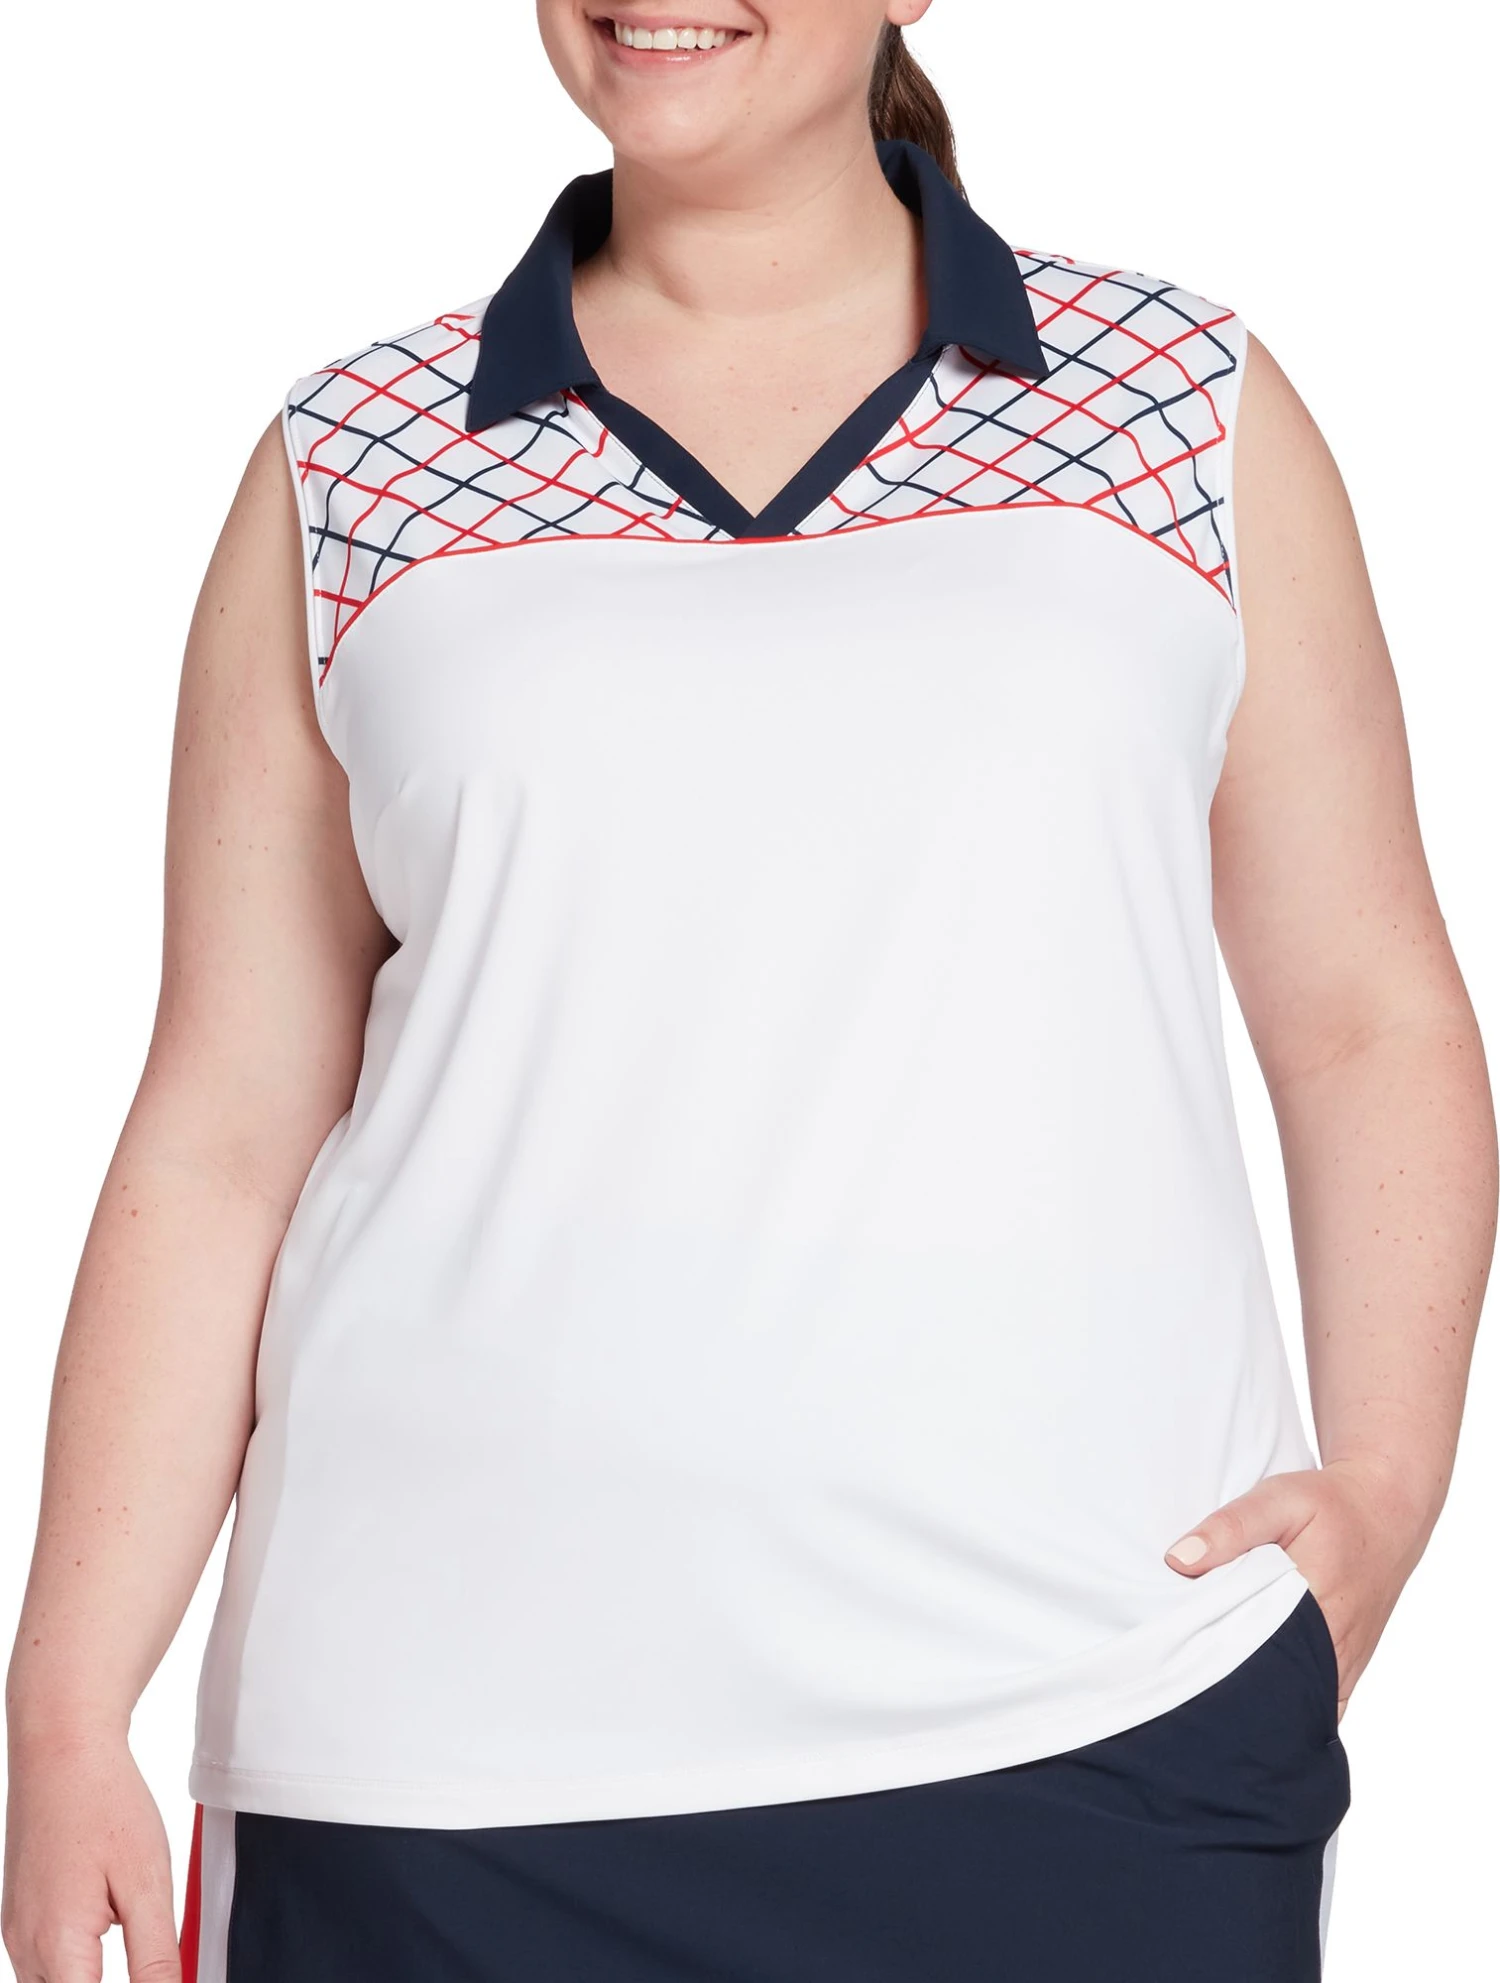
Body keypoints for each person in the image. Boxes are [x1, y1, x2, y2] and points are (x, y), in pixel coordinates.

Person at [4, 4, 1494, 1980]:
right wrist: (64, 1704)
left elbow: (1369, 1012)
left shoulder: (1174, 406)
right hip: (434, 1778)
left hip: (1089, 1722)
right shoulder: (351, 457)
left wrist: (1387, 1491)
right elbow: (219, 1128)